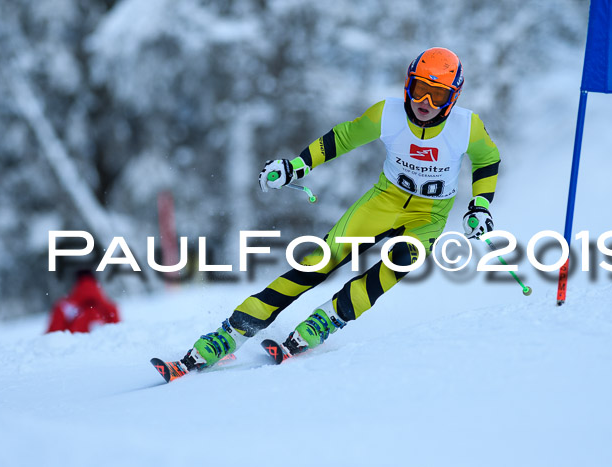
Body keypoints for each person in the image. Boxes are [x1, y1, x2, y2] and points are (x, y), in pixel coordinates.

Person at [178, 47, 500, 370]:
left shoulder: (466, 127)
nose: (424, 103)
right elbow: (342, 137)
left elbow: (487, 159)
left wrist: (480, 206)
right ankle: (232, 332)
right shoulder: (388, 114)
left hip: (428, 217)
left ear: (453, 98)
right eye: (419, 90)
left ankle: (328, 319)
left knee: (397, 263)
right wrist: (296, 166)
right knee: (320, 260)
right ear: (407, 85)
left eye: (437, 95)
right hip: (383, 201)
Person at [46, 270, 120, 333]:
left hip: (73, 349)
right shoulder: (110, 308)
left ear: (75, 283)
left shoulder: (63, 308)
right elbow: (118, 336)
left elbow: (50, 341)